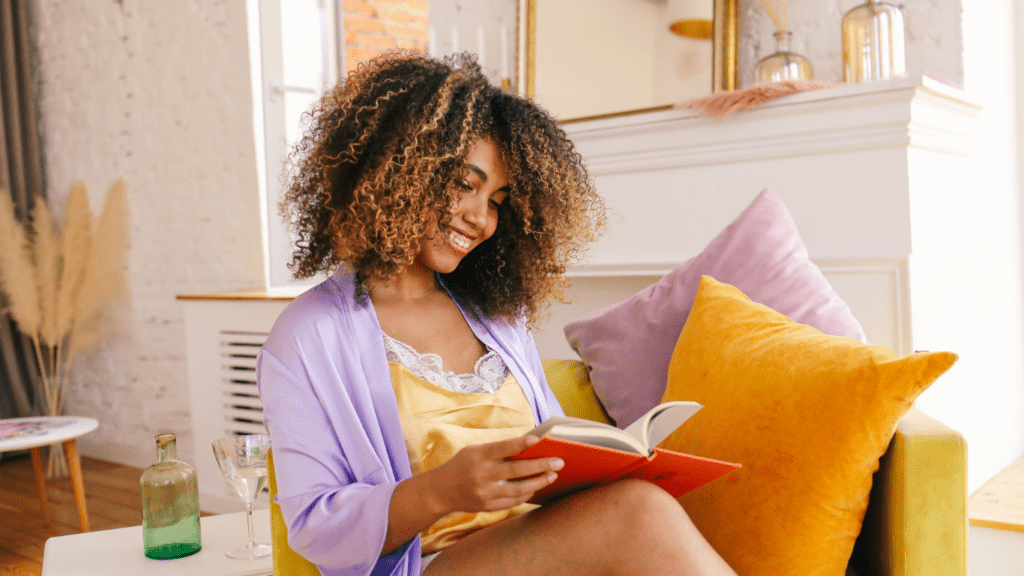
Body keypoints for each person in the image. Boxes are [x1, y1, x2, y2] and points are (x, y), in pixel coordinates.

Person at [257, 52, 736, 576]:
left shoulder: (498, 318)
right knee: (637, 511)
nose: (479, 218)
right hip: (430, 564)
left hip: (545, 550)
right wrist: (443, 490)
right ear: (397, 170)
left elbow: (555, 446)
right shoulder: (306, 337)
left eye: (498, 200)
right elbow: (313, 527)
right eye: (464, 184)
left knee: (640, 501)